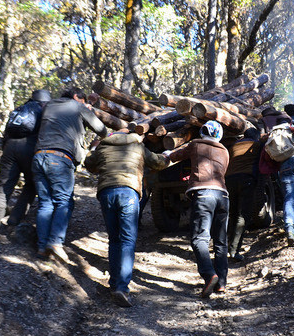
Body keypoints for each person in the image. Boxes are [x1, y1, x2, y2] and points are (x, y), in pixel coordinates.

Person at [83, 130, 169, 307]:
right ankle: (122, 287)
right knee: (127, 240)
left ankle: (114, 284)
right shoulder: (138, 146)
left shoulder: (103, 146)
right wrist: (168, 157)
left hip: (107, 192)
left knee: (114, 239)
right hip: (128, 192)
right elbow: (157, 163)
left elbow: (89, 164)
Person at [32, 87, 107, 262]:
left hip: (38, 157)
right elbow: (101, 129)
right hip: (59, 158)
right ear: (76, 97)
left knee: (45, 203)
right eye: (82, 100)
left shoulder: (49, 106)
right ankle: (56, 242)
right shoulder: (77, 106)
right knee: (64, 200)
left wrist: (86, 105)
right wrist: (88, 111)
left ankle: (42, 248)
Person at [166, 120, 230, 297]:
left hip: (203, 195)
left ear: (202, 132)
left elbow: (176, 155)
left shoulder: (195, 144)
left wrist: (166, 155)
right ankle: (221, 283)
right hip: (223, 196)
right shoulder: (224, 151)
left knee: (199, 239)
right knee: (220, 242)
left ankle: (210, 275)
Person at [0, 89, 51, 243]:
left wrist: (5, 149)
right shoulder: (45, 111)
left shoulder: (21, 109)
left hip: (10, 148)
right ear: (46, 100)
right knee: (31, 185)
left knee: (3, 187)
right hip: (30, 148)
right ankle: (14, 221)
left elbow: (7, 132)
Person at [260, 123, 294, 247]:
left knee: (289, 198)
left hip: (286, 166)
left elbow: (268, 159)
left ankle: (290, 230)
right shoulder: (293, 129)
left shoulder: (271, 136)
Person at [225, 127, 260, 262]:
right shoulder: (256, 145)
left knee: (232, 214)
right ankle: (234, 251)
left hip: (230, 180)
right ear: (256, 136)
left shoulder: (233, 146)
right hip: (247, 180)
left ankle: (229, 246)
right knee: (242, 215)